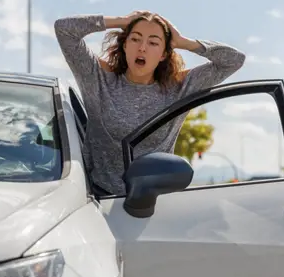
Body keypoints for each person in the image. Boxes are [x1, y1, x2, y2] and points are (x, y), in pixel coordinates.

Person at [54, 10, 246, 196]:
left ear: (163, 54)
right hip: (97, 201)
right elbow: (64, 29)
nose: (142, 47)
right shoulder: (98, 79)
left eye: (153, 42)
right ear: (125, 45)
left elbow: (234, 60)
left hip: (154, 205)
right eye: (135, 39)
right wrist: (120, 21)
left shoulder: (179, 88)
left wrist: (183, 42)